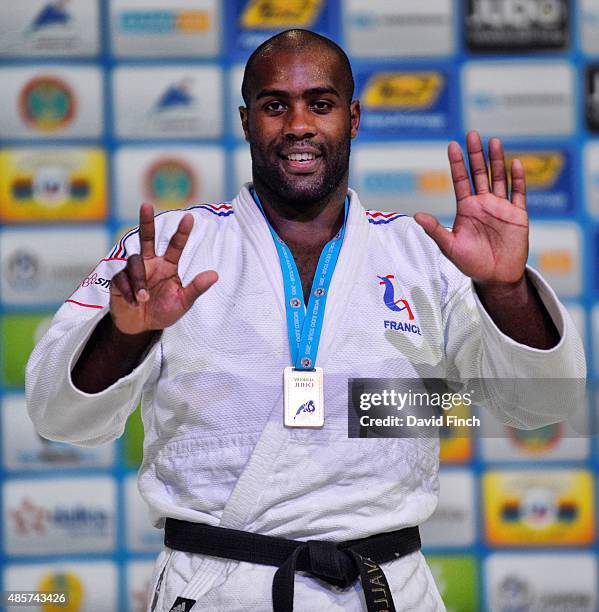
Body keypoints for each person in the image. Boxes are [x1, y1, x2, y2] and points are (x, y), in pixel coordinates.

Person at [26, 29, 585, 612]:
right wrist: (126, 334)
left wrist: (505, 288)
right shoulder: (172, 248)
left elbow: (543, 404)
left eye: (320, 104)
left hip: (385, 589)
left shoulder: (423, 254)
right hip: (222, 590)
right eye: (275, 106)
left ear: (354, 117)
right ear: (246, 121)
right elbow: (56, 414)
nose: (298, 125)